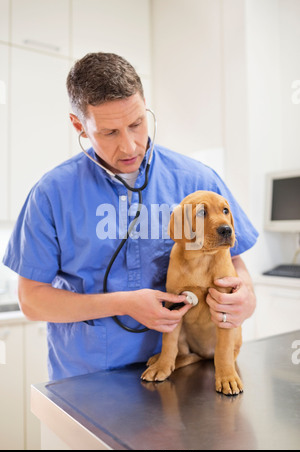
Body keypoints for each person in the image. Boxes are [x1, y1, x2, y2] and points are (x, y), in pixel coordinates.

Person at [2, 52, 258, 381]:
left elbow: (234, 264)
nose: (130, 146)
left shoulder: (197, 180)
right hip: (87, 380)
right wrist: (123, 303)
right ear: (79, 125)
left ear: (145, 105)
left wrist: (245, 298)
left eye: (136, 123)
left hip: (183, 375)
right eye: (109, 132)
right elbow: (32, 300)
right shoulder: (52, 194)